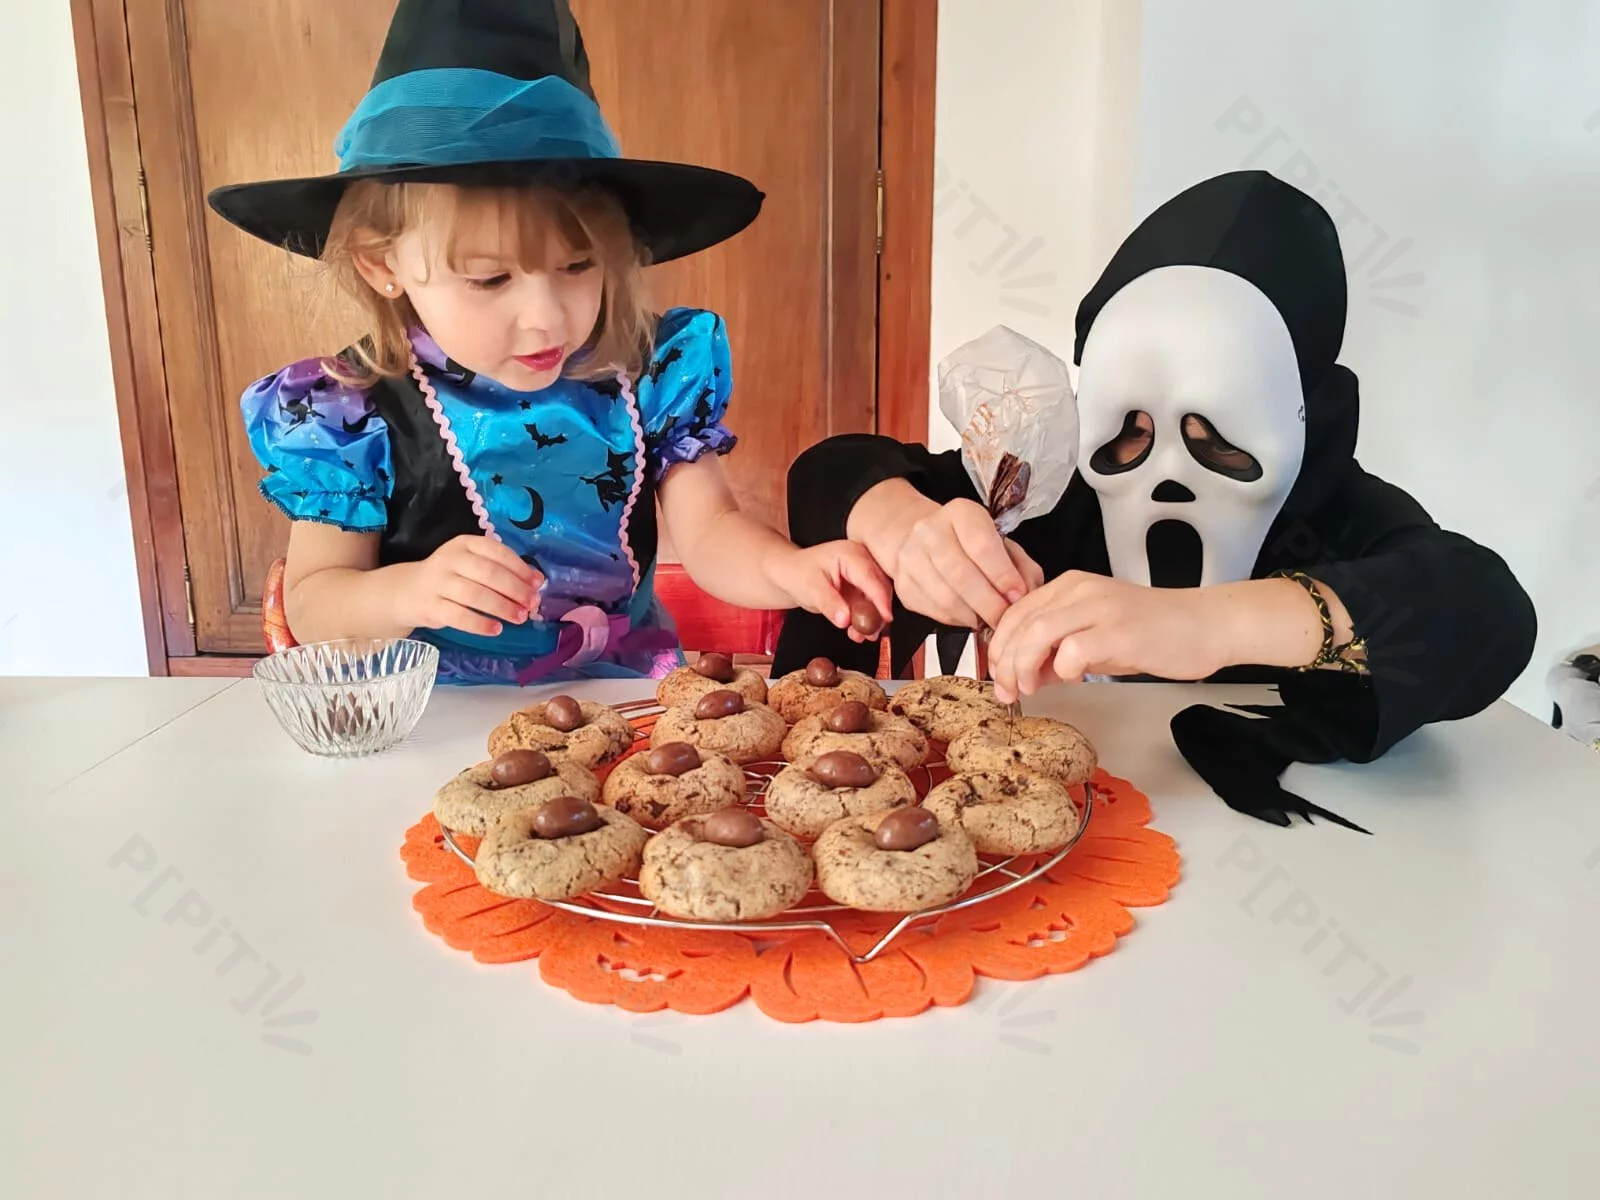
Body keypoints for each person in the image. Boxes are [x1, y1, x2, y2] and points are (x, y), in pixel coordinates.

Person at [773, 170, 1537, 829]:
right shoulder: (1048, 498)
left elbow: (1482, 611)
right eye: (1127, 432)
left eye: (1217, 438)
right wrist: (904, 525)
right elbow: (833, 472)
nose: (1167, 473)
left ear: (1306, 419)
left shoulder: (1330, 518)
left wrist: (1207, 625)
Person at [208, 0, 890, 685]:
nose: (546, 321)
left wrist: (791, 569)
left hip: (618, 708)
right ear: (382, 264)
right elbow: (315, 601)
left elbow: (711, 535)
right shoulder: (349, 414)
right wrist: (406, 591)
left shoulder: (652, 372)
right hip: (428, 721)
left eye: (577, 266)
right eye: (490, 278)